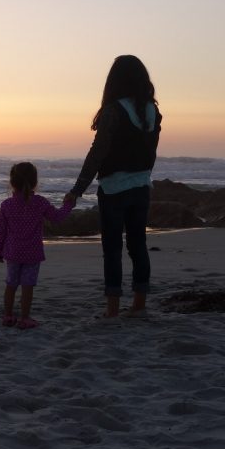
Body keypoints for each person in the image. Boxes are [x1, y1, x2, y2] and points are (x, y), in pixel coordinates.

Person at [64, 54, 161, 318]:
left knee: (113, 250)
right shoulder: (153, 111)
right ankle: (139, 304)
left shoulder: (113, 111)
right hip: (141, 187)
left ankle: (113, 309)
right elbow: (150, 152)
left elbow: (98, 153)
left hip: (114, 189)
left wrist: (77, 189)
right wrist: (142, 175)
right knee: (138, 246)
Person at [0, 161, 75, 329]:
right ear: (35, 182)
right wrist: (68, 204)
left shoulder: (6, 205)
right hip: (32, 253)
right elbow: (57, 217)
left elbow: (1, 231)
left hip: (13, 252)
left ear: (12, 182)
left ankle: (8, 316)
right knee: (27, 286)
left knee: (11, 284)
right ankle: (24, 318)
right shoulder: (40, 202)